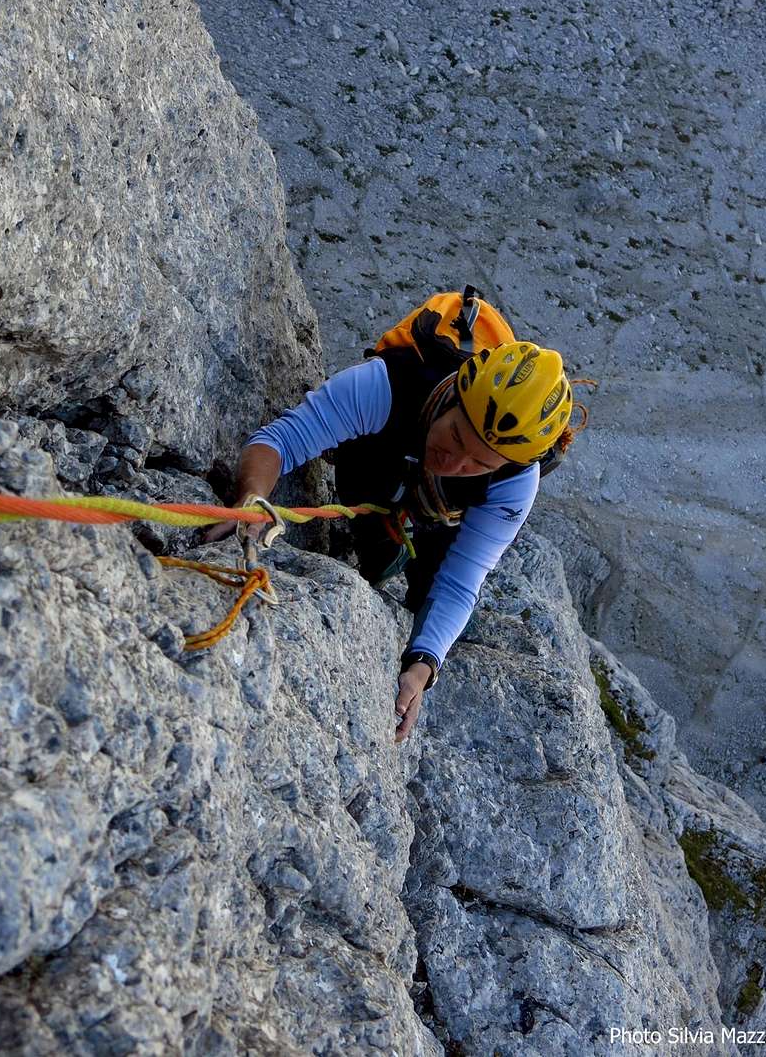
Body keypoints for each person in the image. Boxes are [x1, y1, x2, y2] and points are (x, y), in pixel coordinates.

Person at [207, 301, 576, 745]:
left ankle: (396, 550)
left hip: (446, 516)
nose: (453, 460)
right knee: (372, 523)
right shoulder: (391, 384)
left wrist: (423, 665)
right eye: (456, 435)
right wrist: (252, 501)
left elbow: (462, 581)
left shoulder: (516, 479)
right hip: (379, 463)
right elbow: (278, 441)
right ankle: (381, 545)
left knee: (429, 591)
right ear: (456, 392)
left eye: (479, 462)